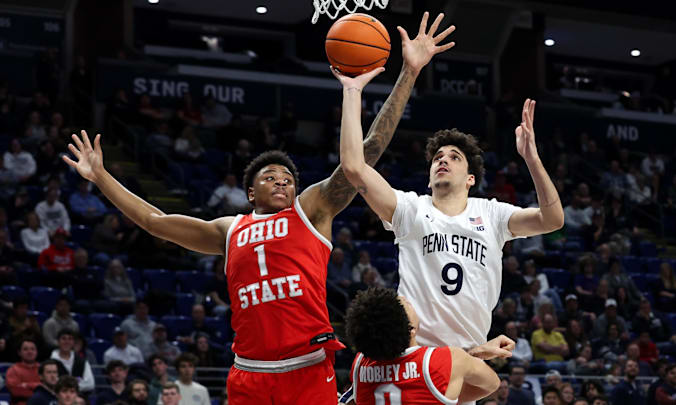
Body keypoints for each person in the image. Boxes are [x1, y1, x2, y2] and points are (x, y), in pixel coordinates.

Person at [62, 10, 452, 405]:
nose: (282, 180)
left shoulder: (310, 211)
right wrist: (101, 178)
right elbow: (154, 221)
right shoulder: (229, 229)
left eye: (288, 177)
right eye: (270, 176)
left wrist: (409, 72)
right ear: (250, 193)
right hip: (248, 373)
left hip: (307, 367)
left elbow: (366, 152)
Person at [334, 44, 563, 363]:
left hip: (468, 360)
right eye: (438, 157)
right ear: (428, 177)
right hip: (411, 356)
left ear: (471, 179)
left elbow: (552, 220)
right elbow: (354, 167)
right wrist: (353, 90)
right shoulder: (411, 209)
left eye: (455, 157)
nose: (444, 160)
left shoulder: (492, 213)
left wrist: (532, 158)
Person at [342, 288, 504, 405]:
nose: (405, 299)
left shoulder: (360, 364)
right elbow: (492, 384)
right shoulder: (447, 360)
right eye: (404, 305)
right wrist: (471, 357)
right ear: (410, 330)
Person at [50, 329, 95, 394]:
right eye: (63, 338)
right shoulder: (50, 362)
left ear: (73, 342)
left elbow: (90, 384)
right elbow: (51, 384)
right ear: (58, 341)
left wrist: (67, 388)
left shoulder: (82, 361)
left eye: (70, 339)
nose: (67, 342)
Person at [5, 339, 41, 405]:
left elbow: (50, 388)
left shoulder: (43, 368)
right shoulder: (13, 370)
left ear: (37, 352)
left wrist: (27, 385)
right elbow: (15, 391)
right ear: (19, 352)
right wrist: (39, 389)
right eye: (25, 349)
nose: (29, 352)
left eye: (32, 349)